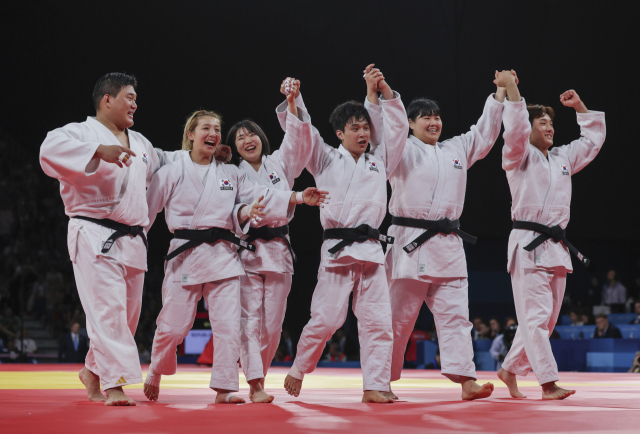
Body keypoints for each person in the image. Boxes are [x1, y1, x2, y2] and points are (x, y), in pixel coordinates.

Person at [142, 102, 327, 404]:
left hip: (225, 256)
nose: (214, 133)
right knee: (175, 326)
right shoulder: (171, 172)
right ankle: (156, 371)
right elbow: (146, 213)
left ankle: (225, 388)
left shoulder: (230, 172)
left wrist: (293, 198)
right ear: (191, 135)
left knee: (229, 327)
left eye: (217, 129)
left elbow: (254, 197)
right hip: (186, 255)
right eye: (207, 128)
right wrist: (136, 241)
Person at [39, 72, 181, 405]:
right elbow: (48, 151)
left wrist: (200, 154)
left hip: (132, 239)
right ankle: (113, 384)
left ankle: (92, 371)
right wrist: (97, 150)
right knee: (109, 311)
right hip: (93, 233)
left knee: (127, 318)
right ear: (107, 99)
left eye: (135, 98)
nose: (135, 103)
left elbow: (168, 160)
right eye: (129, 97)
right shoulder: (79, 132)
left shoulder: (142, 143)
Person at [283, 64, 409, 403]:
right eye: (354, 128)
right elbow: (305, 135)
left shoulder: (380, 159)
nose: (363, 133)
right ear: (340, 133)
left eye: (365, 127)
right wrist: (295, 102)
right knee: (327, 320)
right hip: (338, 250)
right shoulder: (325, 158)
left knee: (379, 323)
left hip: (371, 250)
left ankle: (375, 386)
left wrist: (379, 93)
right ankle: (299, 368)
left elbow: (394, 131)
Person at [382, 71, 509, 401]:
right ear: (410, 124)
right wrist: (385, 95)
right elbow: (390, 131)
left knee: (457, 318)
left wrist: (498, 94)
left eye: (436, 117)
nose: (433, 122)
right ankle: (380, 381)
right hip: (410, 244)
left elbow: (484, 133)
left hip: (449, 245)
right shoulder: (400, 150)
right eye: (425, 117)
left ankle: (467, 381)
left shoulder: (456, 149)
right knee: (397, 321)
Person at [494, 70, 606, 400]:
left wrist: (580, 108)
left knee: (546, 321)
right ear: (526, 130)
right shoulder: (517, 156)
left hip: (556, 246)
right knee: (535, 318)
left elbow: (591, 142)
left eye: (550, 123)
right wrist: (513, 89)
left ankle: (510, 368)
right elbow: (513, 132)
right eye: (541, 123)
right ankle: (547, 383)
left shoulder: (561, 159)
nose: (549, 127)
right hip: (528, 246)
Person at [226, 78, 320, 403]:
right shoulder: (233, 175)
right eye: (240, 138)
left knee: (274, 326)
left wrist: (293, 101)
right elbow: (255, 201)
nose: (247, 139)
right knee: (249, 321)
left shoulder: (279, 163)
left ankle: (258, 376)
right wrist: (294, 197)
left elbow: (298, 142)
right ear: (235, 147)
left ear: (261, 137)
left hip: (279, 252)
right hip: (247, 253)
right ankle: (255, 385)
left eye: (251, 133)